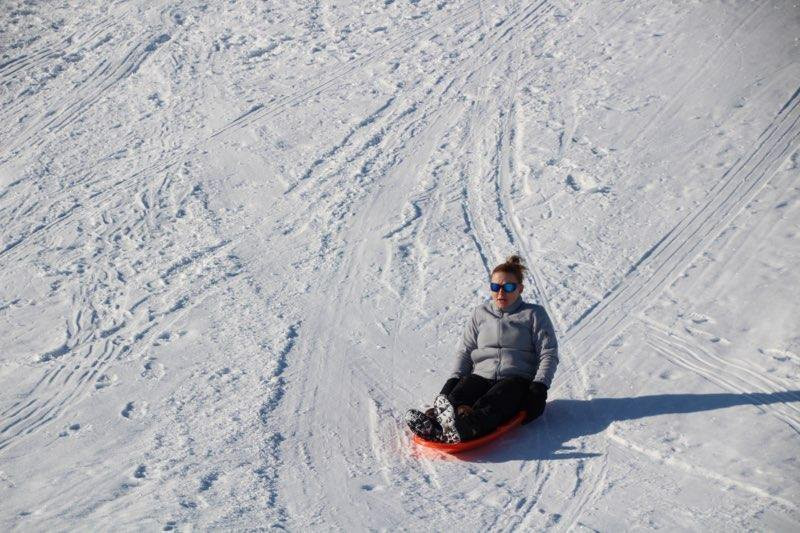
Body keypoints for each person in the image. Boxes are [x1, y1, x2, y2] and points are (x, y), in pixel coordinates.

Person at [406, 255, 558, 443]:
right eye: (495, 287)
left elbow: (548, 353)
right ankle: (436, 424)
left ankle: (466, 427)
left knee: (493, 402)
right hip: (481, 375)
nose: (500, 292)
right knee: (458, 396)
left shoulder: (534, 314)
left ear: (520, 289)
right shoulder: (480, 313)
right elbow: (466, 350)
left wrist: (539, 388)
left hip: (516, 379)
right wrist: (454, 380)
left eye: (508, 287)